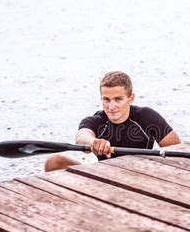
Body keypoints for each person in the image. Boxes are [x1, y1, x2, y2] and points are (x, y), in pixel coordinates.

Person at [44, 71, 181, 172]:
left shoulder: (146, 117)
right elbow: (81, 137)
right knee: (54, 162)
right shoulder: (97, 121)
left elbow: (177, 149)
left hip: (141, 175)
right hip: (105, 176)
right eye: (106, 99)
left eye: (118, 99)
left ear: (130, 98)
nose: (111, 107)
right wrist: (94, 142)